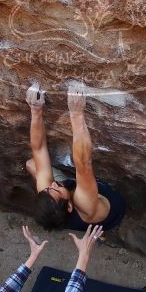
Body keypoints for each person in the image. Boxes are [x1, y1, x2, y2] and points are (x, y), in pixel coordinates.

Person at [24, 82, 127, 231]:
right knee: (82, 175)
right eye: (56, 189)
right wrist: (76, 114)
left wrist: (35, 109)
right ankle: (103, 233)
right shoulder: (84, 204)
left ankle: (67, 186)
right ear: (69, 206)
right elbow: (83, 163)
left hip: (74, 195)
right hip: (109, 206)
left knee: (32, 164)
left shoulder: (49, 194)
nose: (52, 185)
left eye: (47, 190)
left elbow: (39, 149)